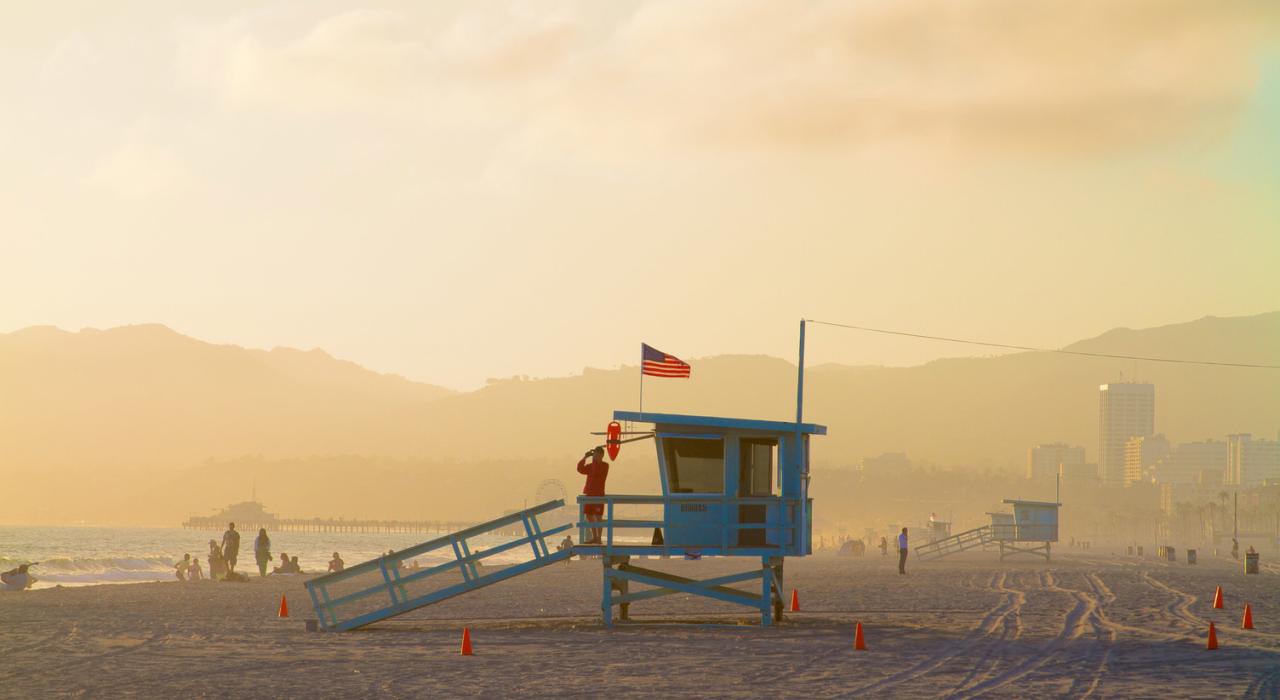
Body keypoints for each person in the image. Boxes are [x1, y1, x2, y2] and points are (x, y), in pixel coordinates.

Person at [577, 446, 611, 544]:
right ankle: (595, 536)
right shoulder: (591, 466)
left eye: (597, 454)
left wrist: (593, 459)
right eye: (594, 454)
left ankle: (598, 538)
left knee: (598, 516)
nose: (595, 456)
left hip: (598, 495)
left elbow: (597, 471)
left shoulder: (605, 466)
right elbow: (580, 469)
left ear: (601, 455)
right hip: (589, 494)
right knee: (588, 515)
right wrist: (585, 457)